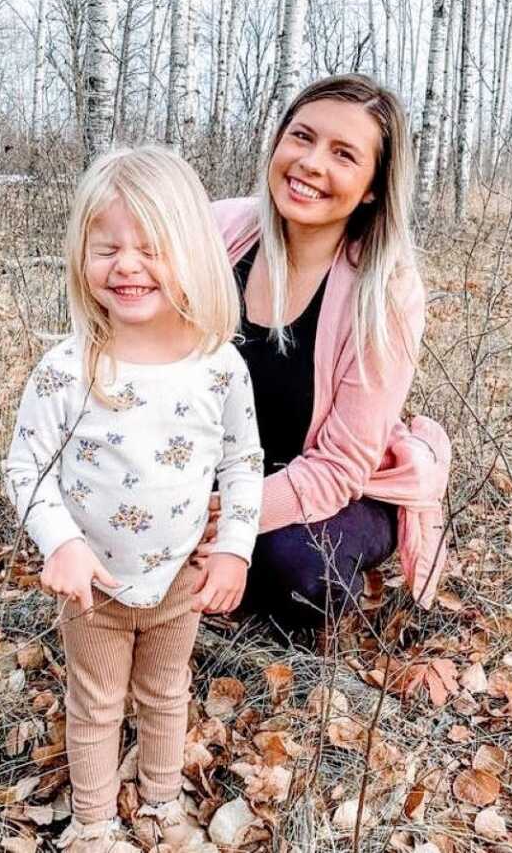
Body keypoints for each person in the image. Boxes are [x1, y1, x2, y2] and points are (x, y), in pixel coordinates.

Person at [3, 146, 262, 853]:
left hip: (179, 577)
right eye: (106, 247)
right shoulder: (68, 367)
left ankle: (160, 806)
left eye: (150, 247)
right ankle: (92, 826)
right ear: (80, 255)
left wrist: (234, 550)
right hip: (95, 586)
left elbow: (243, 463)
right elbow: (26, 467)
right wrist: (62, 541)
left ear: (191, 252)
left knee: (167, 693)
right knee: (94, 705)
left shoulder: (218, 364)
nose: (126, 265)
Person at [204, 73, 450, 638]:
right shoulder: (216, 232)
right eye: (301, 137)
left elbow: (341, 466)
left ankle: (346, 560)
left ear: (370, 187)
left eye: (343, 154)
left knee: (297, 570)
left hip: (337, 484)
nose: (311, 163)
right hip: (216, 467)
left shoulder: (385, 288)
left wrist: (225, 517)